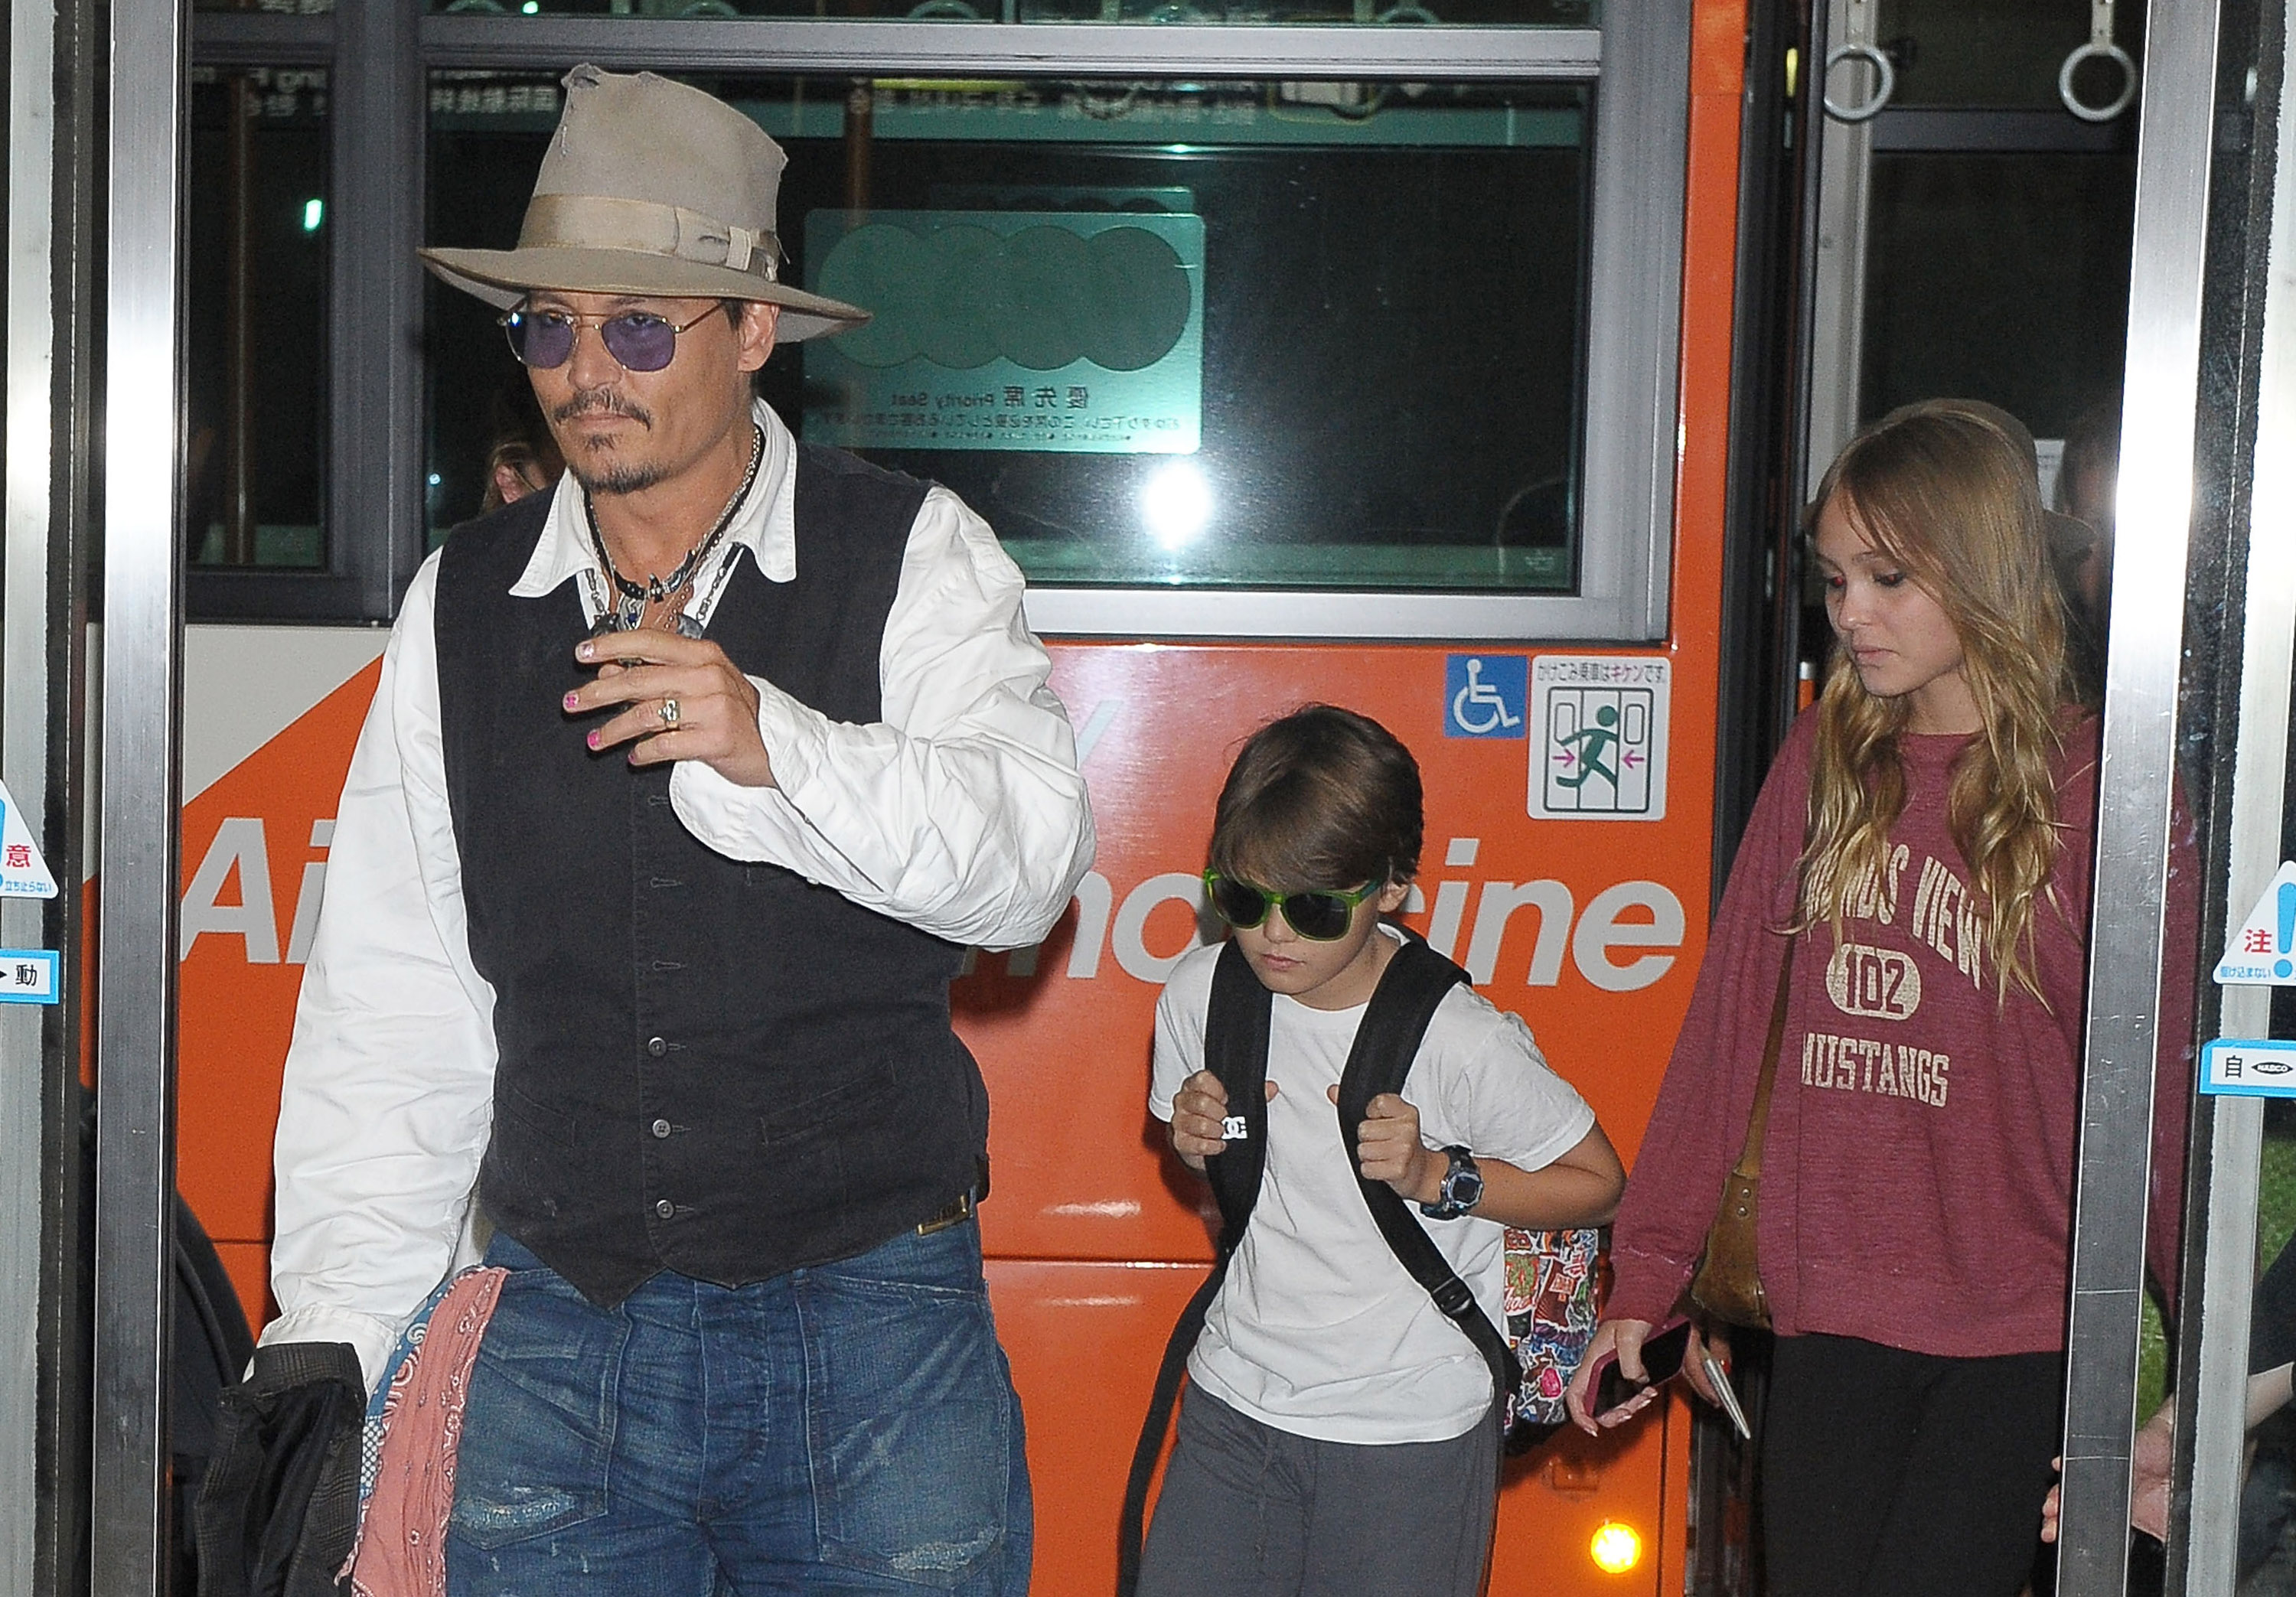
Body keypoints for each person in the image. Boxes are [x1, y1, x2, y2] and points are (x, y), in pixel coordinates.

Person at [258, 65, 1095, 1595]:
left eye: (639, 325)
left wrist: (772, 742)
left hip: (873, 1330)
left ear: (755, 333)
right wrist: (332, 1336)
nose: (589, 370)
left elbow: (1028, 862)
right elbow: (396, 1007)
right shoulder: (465, 601)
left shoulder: (914, 554)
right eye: (550, 327)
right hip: (556, 1329)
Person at [1565, 403, 2190, 1596]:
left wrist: (2209, 1353)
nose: (1850, 612)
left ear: (1983, 570)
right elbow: (1726, 1026)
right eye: (1837, 577)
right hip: (1828, 1312)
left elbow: (2155, 1090)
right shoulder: (1825, 760)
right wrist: (1643, 1282)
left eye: (1889, 577)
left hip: (2017, 1327)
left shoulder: (2097, 784)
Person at [1140, 705, 1625, 1597]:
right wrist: (1192, 1138)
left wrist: (1440, 1175)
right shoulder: (1200, 996)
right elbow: (1237, 1184)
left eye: (1317, 905)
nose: (1274, 933)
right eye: (1244, 898)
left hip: (1408, 1426)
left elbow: (1600, 1184)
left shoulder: (1458, 1037)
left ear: (1393, 886)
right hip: (1235, 1400)